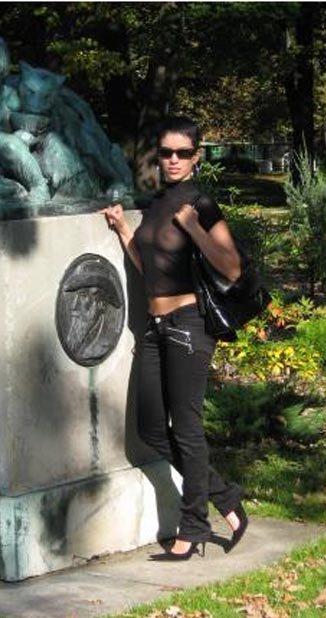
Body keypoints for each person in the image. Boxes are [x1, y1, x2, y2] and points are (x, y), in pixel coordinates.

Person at [99, 116, 249, 561]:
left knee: (186, 429)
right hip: (155, 326)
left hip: (188, 325)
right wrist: (124, 230)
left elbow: (232, 267)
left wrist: (196, 228)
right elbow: (151, 267)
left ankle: (194, 526)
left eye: (183, 153)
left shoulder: (200, 204)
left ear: (196, 157)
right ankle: (225, 497)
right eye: (166, 152)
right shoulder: (158, 202)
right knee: (150, 427)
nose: (174, 160)